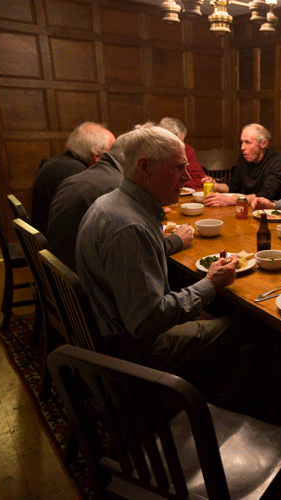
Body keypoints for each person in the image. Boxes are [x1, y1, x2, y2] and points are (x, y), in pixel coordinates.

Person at [75, 123, 260, 411]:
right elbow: (147, 320)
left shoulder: (112, 203)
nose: (188, 178)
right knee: (246, 327)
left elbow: (139, 261)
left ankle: (204, 382)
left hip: (110, 329)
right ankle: (226, 419)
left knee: (212, 311)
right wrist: (209, 284)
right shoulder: (129, 227)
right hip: (131, 348)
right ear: (145, 166)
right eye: (178, 168)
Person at [46, 131, 193, 271]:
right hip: (83, 286)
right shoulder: (117, 189)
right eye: (179, 167)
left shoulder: (94, 177)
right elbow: (138, 248)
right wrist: (176, 240)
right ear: (141, 164)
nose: (187, 177)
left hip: (61, 274)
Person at [30, 121, 114, 234]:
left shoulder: (60, 161)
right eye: (112, 151)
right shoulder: (77, 174)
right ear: (97, 156)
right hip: (55, 243)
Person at [202, 123, 281, 206]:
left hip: (274, 213)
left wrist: (231, 200)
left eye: (247, 142)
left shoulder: (276, 160)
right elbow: (233, 186)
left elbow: (266, 195)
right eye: (242, 142)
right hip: (250, 208)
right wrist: (216, 186)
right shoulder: (243, 158)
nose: (242, 147)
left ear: (263, 144)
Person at [158, 117, 206, 189]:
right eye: (177, 142)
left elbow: (200, 180)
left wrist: (175, 182)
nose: (181, 146)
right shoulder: (153, 152)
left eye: (182, 141)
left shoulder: (187, 150)